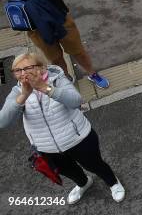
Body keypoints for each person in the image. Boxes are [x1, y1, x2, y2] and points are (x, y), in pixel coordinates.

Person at [0, 53, 124, 204]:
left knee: (95, 164)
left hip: (78, 138)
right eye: (17, 70)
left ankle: (113, 182)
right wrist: (24, 96)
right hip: (47, 147)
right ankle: (84, 183)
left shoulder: (57, 79)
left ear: (42, 67)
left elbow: (75, 101)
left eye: (27, 68)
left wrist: (44, 88)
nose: (23, 74)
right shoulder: (17, 92)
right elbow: (3, 121)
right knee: (68, 170)